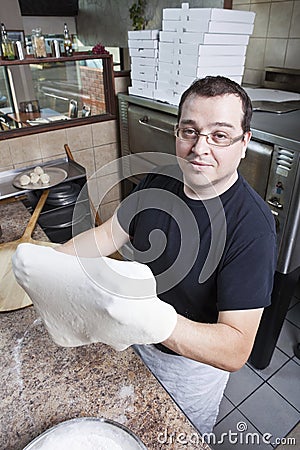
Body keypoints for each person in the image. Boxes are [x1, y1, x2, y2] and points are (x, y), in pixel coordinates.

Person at [57, 76, 277, 434]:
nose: (199, 147)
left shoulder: (252, 227)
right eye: (189, 131)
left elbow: (235, 348)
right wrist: (52, 262)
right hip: (133, 339)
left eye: (219, 135)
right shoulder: (160, 180)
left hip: (187, 369)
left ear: (244, 143)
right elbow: (108, 234)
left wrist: (154, 319)